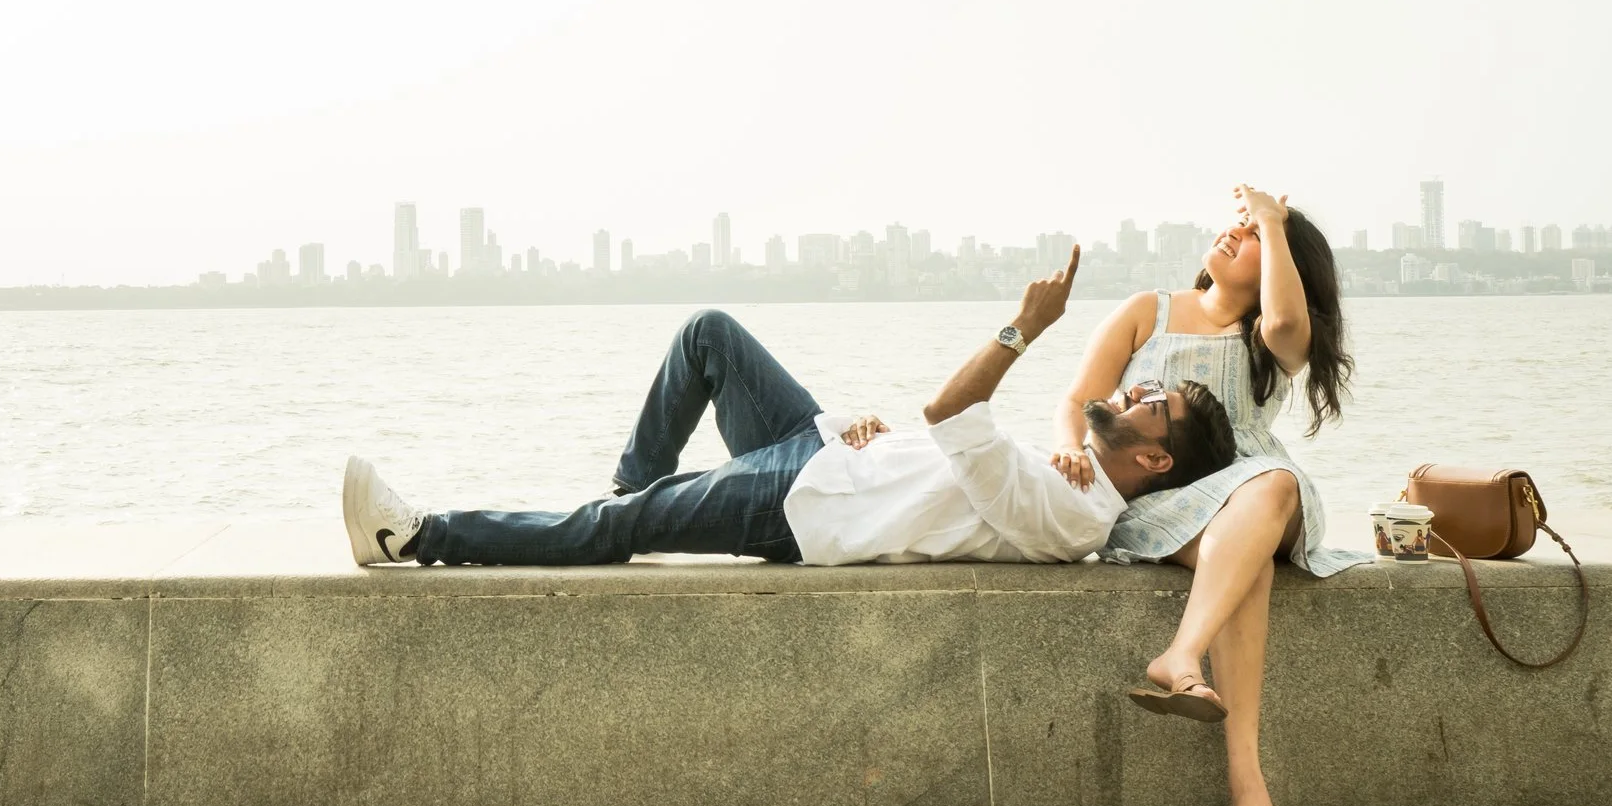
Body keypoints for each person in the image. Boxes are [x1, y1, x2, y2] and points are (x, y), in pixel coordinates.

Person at [341, 249, 1236, 571]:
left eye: (1152, 401)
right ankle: (624, 498)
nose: (1133, 386)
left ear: (1156, 460)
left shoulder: (1074, 512)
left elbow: (956, 412)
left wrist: (1023, 327)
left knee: (619, 525)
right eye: (1144, 382)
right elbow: (949, 445)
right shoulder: (1072, 474)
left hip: (803, 504)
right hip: (825, 450)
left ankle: (416, 535)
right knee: (709, 333)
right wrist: (870, 429)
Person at [1047, 183, 1359, 806]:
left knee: (1270, 483)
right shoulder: (1147, 311)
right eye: (1237, 225)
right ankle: (1248, 785)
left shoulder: (1270, 333)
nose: (1234, 234)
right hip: (1161, 506)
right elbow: (1080, 397)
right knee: (1246, 574)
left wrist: (1275, 222)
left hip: (1258, 497)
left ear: (1281, 261)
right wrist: (1074, 446)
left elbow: (1285, 324)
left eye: (1251, 236)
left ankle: (1183, 655)